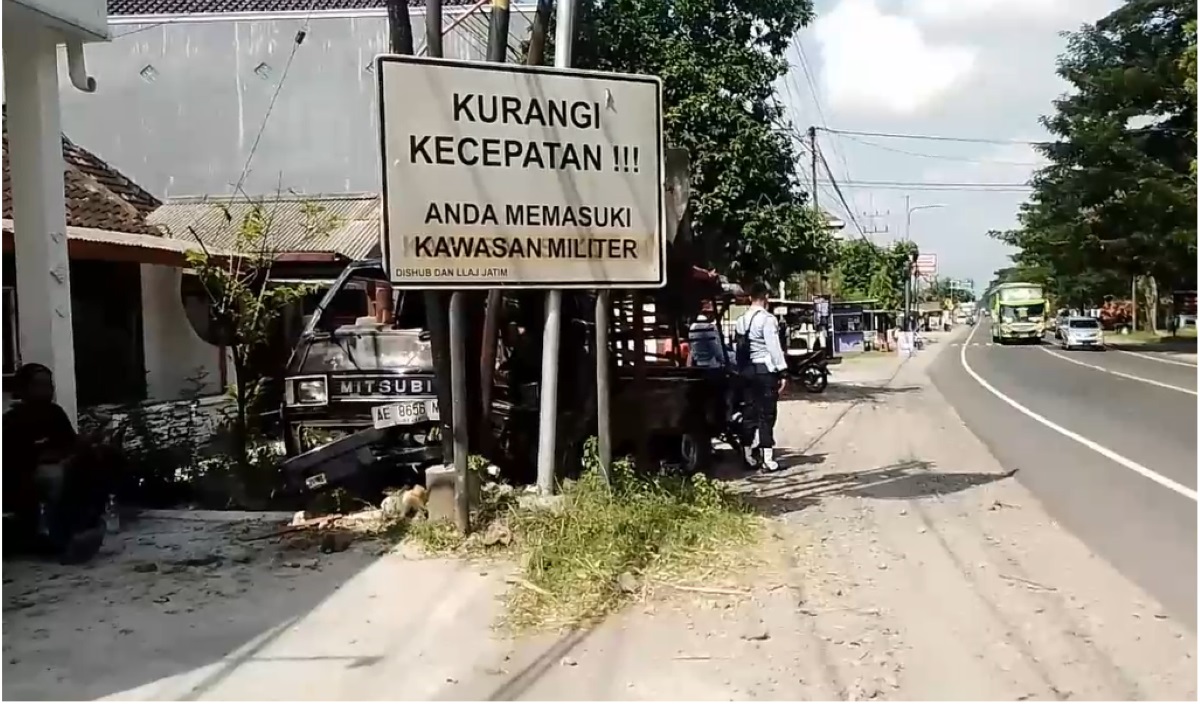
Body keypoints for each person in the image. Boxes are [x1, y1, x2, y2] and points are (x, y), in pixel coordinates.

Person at [3, 363, 108, 561]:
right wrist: (56, 457)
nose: (47, 390)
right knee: (59, 476)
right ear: (23, 389)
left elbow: (71, 442)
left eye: (49, 385)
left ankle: (87, 525)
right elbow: (17, 460)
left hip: (61, 465)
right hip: (26, 476)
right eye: (40, 385)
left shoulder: (54, 413)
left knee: (100, 459)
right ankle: (61, 538)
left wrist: (93, 439)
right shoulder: (12, 421)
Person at [733, 282, 788, 472]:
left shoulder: (741, 321)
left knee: (749, 412)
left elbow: (738, 349)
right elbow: (774, 347)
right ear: (766, 298)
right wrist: (782, 371)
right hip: (765, 370)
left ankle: (747, 456)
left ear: (749, 298)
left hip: (747, 371)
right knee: (767, 414)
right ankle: (768, 459)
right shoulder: (767, 319)